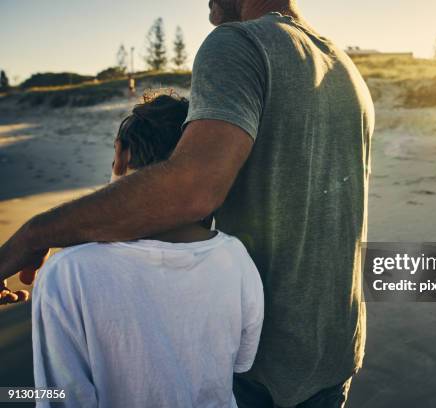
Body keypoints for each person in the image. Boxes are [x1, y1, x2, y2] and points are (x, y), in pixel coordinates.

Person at [0, 1, 374, 406]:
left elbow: (193, 188)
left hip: (261, 378)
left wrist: (34, 234)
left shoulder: (240, 42)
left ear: (122, 156)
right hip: (334, 356)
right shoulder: (345, 69)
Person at [31, 94, 265, 408]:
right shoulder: (235, 257)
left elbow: (58, 397)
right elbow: (240, 363)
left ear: (121, 155)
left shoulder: (67, 273)